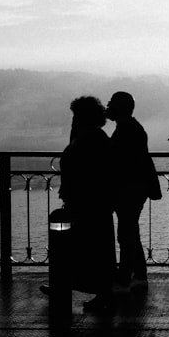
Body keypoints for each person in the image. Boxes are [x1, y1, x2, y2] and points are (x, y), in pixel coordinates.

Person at [59, 96, 118, 312]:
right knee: (90, 247)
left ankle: (100, 292)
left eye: (76, 116)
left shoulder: (92, 139)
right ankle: (80, 286)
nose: (73, 120)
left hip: (90, 203)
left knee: (93, 248)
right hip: (90, 202)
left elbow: (88, 169)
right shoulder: (93, 136)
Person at [106, 91, 162, 291]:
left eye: (111, 104)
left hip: (130, 188)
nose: (108, 106)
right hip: (136, 188)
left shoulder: (127, 130)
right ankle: (138, 276)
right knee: (130, 232)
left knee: (127, 234)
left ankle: (126, 278)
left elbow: (121, 162)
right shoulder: (131, 128)